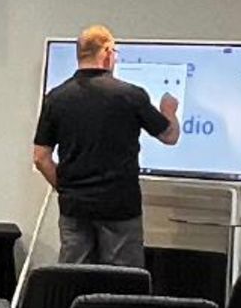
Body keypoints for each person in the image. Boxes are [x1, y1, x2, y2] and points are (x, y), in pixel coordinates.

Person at [31, 26, 180, 269]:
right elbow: (169, 136)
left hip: (74, 208)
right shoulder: (130, 95)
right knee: (122, 283)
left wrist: (67, 189)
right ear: (108, 52)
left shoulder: (56, 98)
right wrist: (169, 110)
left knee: (73, 278)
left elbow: (40, 157)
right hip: (120, 206)